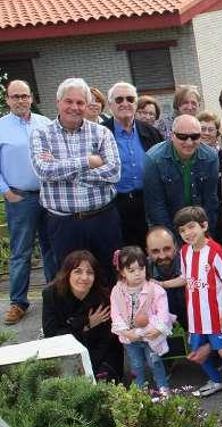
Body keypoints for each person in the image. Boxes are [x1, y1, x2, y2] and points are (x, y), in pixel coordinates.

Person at [32, 78, 121, 283]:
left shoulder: (101, 132)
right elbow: (44, 170)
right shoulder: (41, 134)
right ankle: (78, 317)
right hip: (64, 223)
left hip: (103, 219)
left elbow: (114, 172)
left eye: (80, 103)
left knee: (109, 274)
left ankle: (111, 315)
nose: (74, 107)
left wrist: (62, 167)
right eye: (68, 101)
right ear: (58, 102)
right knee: (70, 279)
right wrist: (89, 161)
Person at [174, 206, 222, 408]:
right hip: (195, 316)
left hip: (216, 314)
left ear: (204, 225)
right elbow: (185, 278)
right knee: (197, 351)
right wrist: (162, 284)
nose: (187, 233)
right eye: (182, 230)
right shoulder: (183, 252)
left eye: (191, 227)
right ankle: (217, 380)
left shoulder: (216, 251)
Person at [0, 80, 56, 324]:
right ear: (8, 100)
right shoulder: (1, 127)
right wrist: (6, 192)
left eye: (24, 95)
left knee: (51, 249)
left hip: (48, 195)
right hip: (20, 197)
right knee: (21, 252)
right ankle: (18, 302)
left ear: (31, 97)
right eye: (15, 96)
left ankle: (55, 296)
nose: (21, 100)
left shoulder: (45, 124)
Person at [42, 250, 124, 381]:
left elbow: (106, 342)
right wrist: (85, 323)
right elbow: (52, 335)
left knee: (102, 384)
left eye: (90, 272)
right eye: (78, 271)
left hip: (101, 354)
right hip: (66, 351)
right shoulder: (51, 295)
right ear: (67, 274)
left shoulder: (103, 298)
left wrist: (88, 367)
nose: (84, 277)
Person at [102, 82, 163, 249]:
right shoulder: (100, 134)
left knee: (151, 251)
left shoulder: (151, 133)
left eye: (130, 99)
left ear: (136, 103)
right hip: (115, 206)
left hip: (147, 203)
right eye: (119, 99)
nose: (125, 103)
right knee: (122, 255)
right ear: (110, 105)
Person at [109, 246, 172, 393]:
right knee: (135, 364)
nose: (138, 273)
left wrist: (157, 329)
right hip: (131, 337)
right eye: (131, 270)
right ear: (122, 272)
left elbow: (163, 312)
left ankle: (163, 387)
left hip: (150, 335)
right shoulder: (117, 291)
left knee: (155, 362)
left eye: (141, 268)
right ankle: (139, 388)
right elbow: (116, 313)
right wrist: (125, 332)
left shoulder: (155, 289)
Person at [143, 114, 220, 233]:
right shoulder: (153, 159)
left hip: (199, 225)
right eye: (182, 136)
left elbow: (210, 201)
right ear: (172, 135)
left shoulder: (211, 157)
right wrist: (174, 238)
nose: (189, 142)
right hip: (168, 224)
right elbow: (156, 207)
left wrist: (205, 233)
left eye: (194, 136)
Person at [145, 225, 186, 326]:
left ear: (176, 247)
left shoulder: (189, 261)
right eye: (155, 251)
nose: (162, 256)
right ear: (147, 252)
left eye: (167, 249)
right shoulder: (142, 271)